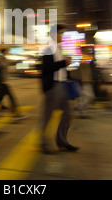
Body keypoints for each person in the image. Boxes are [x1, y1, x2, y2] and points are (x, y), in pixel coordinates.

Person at [40, 24, 78, 154]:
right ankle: (44, 143)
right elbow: (47, 68)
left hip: (63, 85)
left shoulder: (60, 49)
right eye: (60, 33)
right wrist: (64, 63)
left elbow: (62, 69)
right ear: (53, 34)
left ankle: (62, 141)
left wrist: (68, 74)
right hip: (53, 86)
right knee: (48, 116)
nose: (62, 36)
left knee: (69, 114)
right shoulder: (48, 49)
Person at [0, 48, 27, 119]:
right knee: (11, 97)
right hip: (2, 83)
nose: (7, 53)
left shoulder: (1, 60)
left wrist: (18, 61)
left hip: (1, 83)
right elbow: (7, 64)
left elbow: (9, 63)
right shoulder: (1, 60)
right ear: (3, 53)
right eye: (6, 52)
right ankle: (16, 113)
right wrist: (18, 61)